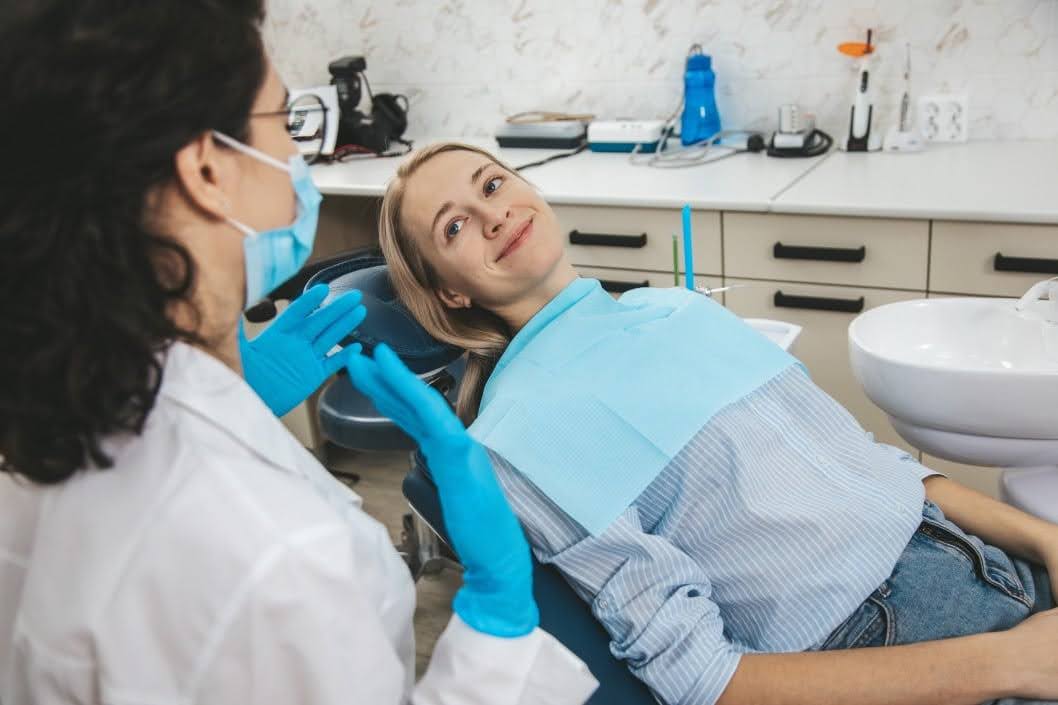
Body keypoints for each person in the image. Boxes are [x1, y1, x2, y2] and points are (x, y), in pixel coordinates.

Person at [0, 5, 597, 704]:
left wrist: (241, 404)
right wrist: (497, 624)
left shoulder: (40, 439)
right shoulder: (283, 560)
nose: (297, 157)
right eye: (285, 122)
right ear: (208, 170)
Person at [376, 141, 1058, 705]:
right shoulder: (516, 439)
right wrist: (1010, 663)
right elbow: (707, 680)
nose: (492, 216)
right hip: (890, 647)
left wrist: (1045, 539)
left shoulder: (677, 310)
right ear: (449, 291)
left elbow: (871, 463)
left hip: (987, 562)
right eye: (454, 226)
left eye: (492, 184)